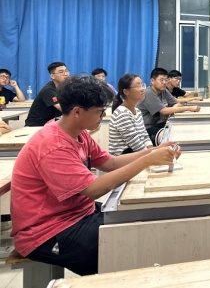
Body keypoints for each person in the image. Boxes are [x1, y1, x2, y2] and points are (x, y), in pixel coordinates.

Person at [10, 75, 179, 275]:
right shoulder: (53, 144)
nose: (103, 116)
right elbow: (93, 190)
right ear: (77, 112)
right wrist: (148, 160)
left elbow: (110, 162)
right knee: (127, 249)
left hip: (77, 214)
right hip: (46, 232)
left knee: (136, 223)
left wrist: (154, 151)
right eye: (99, 112)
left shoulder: (78, 132)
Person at [137, 67, 200, 144]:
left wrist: (169, 111)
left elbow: (177, 103)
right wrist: (189, 108)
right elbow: (164, 111)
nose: (164, 83)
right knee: (170, 138)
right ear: (152, 81)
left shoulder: (164, 91)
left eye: (166, 80)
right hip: (146, 129)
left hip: (161, 124)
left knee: (182, 132)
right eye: (161, 80)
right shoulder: (148, 93)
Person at [108, 74, 153, 156]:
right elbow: (136, 146)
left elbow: (145, 136)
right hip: (122, 159)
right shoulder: (122, 114)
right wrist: (153, 153)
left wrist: (152, 150)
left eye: (142, 85)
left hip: (136, 155)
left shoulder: (137, 111)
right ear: (126, 92)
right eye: (138, 86)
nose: (142, 89)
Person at [25, 62, 70, 126]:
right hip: (36, 125)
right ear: (52, 76)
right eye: (61, 72)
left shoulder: (64, 88)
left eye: (66, 71)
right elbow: (64, 109)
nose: (65, 74)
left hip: (51, 123)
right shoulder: (48, 90)